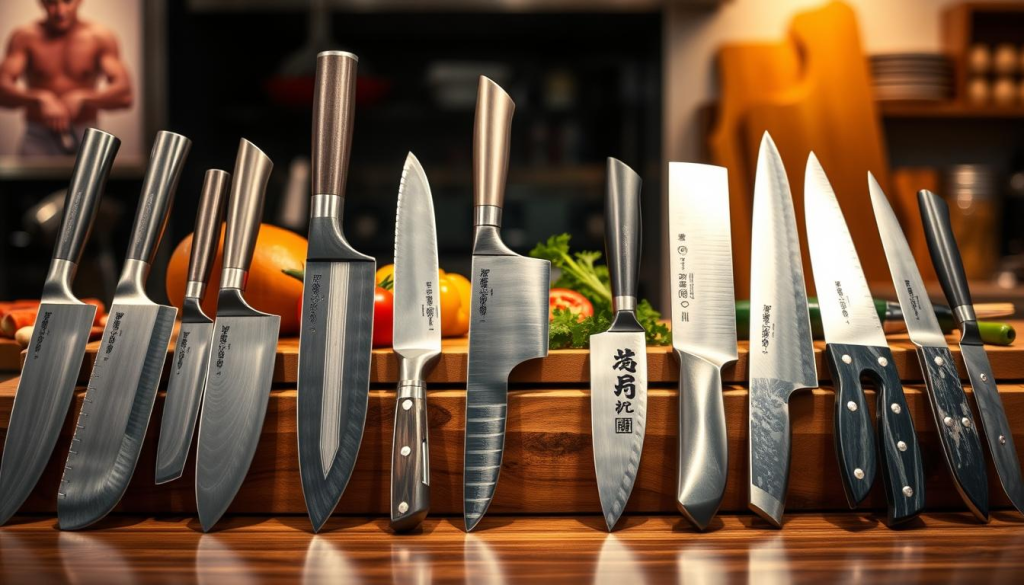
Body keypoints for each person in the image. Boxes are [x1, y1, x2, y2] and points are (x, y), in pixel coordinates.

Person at [0, 0, 132, 156]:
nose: (60, 11)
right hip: (38, 136)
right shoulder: (25, 37)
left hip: (86, 135)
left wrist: (83, 97)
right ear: (41, 2)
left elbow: (125, 95)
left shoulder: (100, 37)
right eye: (51, 2)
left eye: (67, 1)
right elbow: (2, 89)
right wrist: (39, 98)